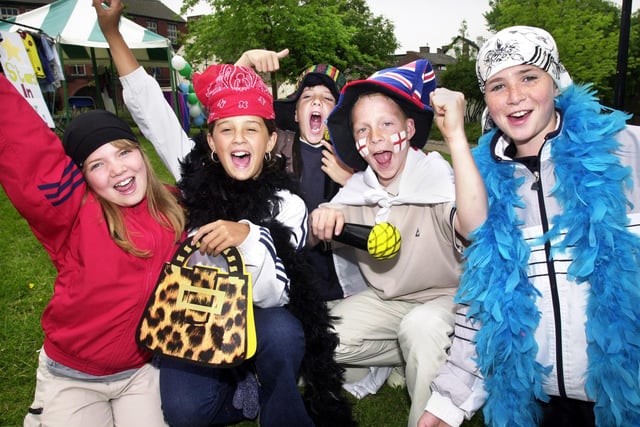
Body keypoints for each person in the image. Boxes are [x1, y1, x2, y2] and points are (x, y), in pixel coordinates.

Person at [94, 1, 354, 426]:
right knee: (184, 413)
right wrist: (112, 33)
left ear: (270, 142)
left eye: (251, 128)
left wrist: (246, 234)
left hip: (263, 316)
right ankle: (239, 390)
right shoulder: (194, 170)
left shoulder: (288, 204)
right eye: (226, 129)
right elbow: (149, 107)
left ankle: (275, 397)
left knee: (286, 334)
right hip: (197, 310)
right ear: (211, 143)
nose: (238, 138)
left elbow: (281, 292)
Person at [421, 26, 640, 427]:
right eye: (497, 85)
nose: (515, 96)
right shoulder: (478, 184)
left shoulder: (626, 149)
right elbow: (483, 305)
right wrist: (448, 403)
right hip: (536, 404)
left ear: (555, 83)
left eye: (528, 77)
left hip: (624, 398)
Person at [0, 56, 185, 427]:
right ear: (81, 178)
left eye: (123, 152)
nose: (117, 169)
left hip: (140, 372)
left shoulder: (177, 205)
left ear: (141, 153)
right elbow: (27, 150)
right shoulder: (74, 214)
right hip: (73, 377)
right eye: (96, 164)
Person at [309, 59, 487, 427]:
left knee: (421, 329)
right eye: (363, 129)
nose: (375, 137)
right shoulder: (358, 190)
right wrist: (321, 217)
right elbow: (320, 226)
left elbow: (474, 229)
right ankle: (403, 354)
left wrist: (455, 137)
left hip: (447, 301)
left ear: (409, 128)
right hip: (387, 303)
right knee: (319, 332)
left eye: (387, 124)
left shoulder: (439, 180)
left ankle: (428, 396)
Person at [273, 62, 353, 301]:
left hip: (342, 287)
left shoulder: (356, 156)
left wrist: (352, 182)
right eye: (307, 96)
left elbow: (386, 207)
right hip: (288, 286)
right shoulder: (276, 149)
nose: (317, 102)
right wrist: (245, 64)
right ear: (297, 114)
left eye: (327, 98)